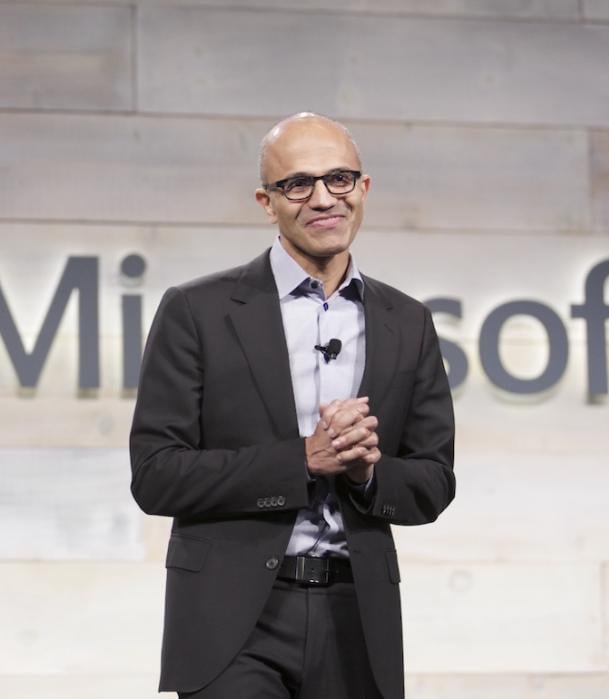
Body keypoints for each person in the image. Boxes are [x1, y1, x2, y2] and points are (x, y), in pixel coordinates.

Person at [129, 112, 455, 699]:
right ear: (267, 201)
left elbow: (433, 481)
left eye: (339, 179)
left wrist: (366, 473)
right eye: (298, 184)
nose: (323, 198)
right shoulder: (197, 311)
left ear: (364, 188)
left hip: (357, 615)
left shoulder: (408, 322)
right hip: (233, 621)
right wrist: (302, 460)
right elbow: (156, 476)